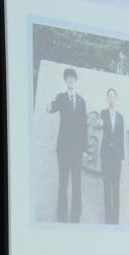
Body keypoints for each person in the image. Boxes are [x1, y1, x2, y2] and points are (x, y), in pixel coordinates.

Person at [45, 67, 88, 223]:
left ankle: (75, 218)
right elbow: (54, 106)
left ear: (76, 81)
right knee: (63, 184)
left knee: (77, 185)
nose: (70, 80)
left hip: (77, 151)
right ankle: (62, 218)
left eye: (73, 77)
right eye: (68, 78)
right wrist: (49, 107)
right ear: (65, 81)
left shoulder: (81, 101)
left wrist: (85, 149)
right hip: (63, 149)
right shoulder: (61, 97)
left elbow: (84, 126)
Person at [100, 88, 125, 224]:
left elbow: (121, 138)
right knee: (106, 189)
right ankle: (108, 220)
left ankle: (115, 220)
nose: (111, 98)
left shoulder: (120, 117)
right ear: (107, 99)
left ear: (116, 99)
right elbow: (100, 125)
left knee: (116, 189)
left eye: (113, 96)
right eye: (109, 96)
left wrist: (122, 157)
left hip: (116, 158)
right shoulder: (103, 113)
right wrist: (100, 124)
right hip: (105, 156)